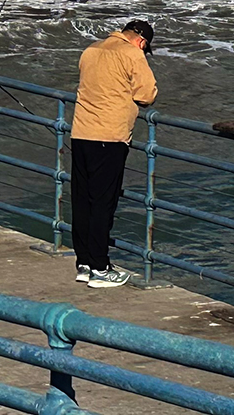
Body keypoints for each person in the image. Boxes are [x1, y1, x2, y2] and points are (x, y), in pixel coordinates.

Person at [70, 20, 156, 288]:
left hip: (81, 132)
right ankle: (100, 267)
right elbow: (147, 94)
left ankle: (83, 262)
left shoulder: (91, 49)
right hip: (110, 136)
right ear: (141, 42)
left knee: (82, 200)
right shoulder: (132, 53)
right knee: (103, 202)